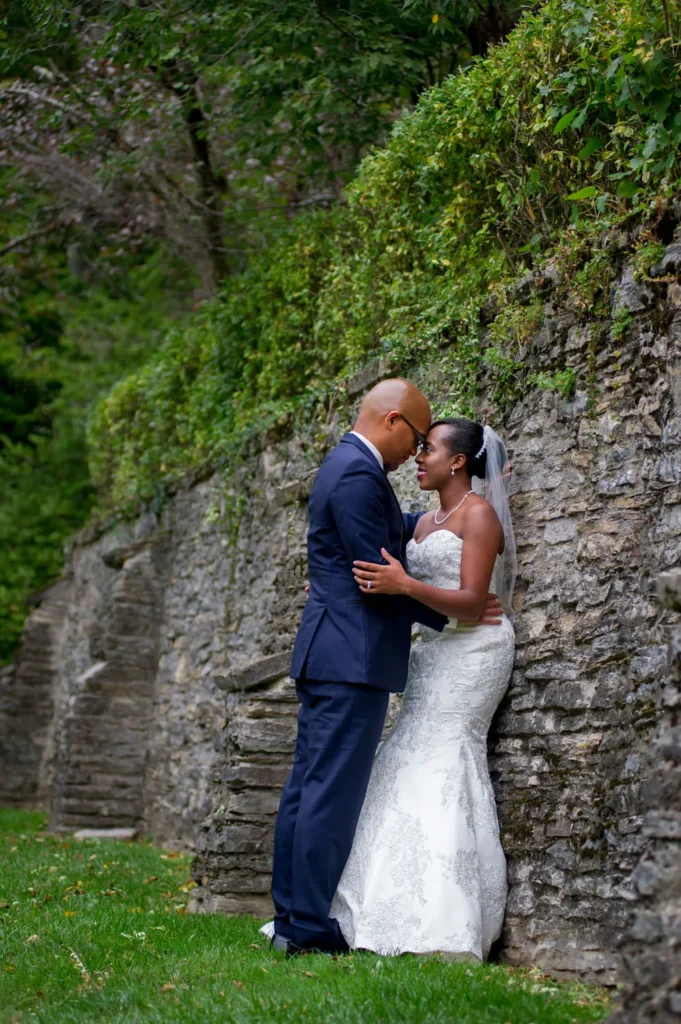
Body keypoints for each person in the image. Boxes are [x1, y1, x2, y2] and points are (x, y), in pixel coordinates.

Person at [267, 382, 504, 956]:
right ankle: (305, 930)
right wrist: (451, 615)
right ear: (394, 422)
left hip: (342, 653)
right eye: (416, 439)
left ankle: (296, 920)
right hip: (351, 657)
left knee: (309, 787)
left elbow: (378, 542)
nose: (415, 454)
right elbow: (373, 574)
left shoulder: (352, 469)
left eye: (430, 446)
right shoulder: (356, 473)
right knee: (327, 792)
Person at [330, 417, 516, 961]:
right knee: (404, 755)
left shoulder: (479, 516)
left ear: (458, 461)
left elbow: (472, 602)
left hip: (475, 651)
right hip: (432, 653)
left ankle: (446, 918)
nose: (418, 457)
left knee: (444, 757)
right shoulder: (423, 521)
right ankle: (374, 904)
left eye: (427, 449)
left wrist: (406, 585)